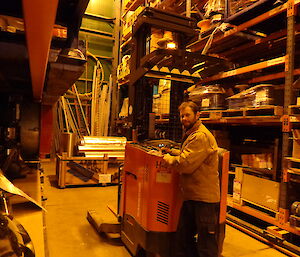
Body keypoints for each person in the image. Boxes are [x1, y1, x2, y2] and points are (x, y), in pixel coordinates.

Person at [162, 101, 220, 257]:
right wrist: (172, 151)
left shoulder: (200, 136)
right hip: (192, 196)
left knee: (206, 244)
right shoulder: (192, 133)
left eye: (187, 115)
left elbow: (185, 164)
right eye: (182, 116)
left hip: (204, 200)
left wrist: (167, 158)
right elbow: (188, 153)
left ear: (197, 115)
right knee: (183, 238)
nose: (184, 118)